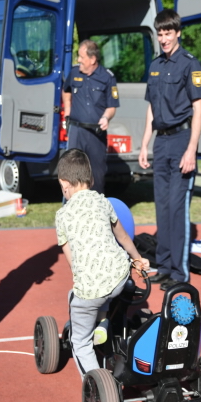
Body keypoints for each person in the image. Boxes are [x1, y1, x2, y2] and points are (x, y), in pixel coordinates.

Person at [55, 148, 149, 378]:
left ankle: (97, 383)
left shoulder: (62, 215)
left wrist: (82, 279)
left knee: (80, 341)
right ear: (92, 179)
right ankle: (103, 322)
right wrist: (137, 260)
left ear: (64, 184)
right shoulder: (103, 203)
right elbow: (123, 237)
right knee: (105, 290)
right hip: (119, 275)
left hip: (92, 289)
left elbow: (73, 263)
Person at [138, 9, 201, 291]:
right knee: (163, 209)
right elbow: (151, 108)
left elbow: (198, 108)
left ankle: (179, 273)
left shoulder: (190, 64)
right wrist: (144, 144)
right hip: (161, 143)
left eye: (168, 33)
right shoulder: (154, 66)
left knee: (177, 209)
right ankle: (164, 267)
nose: (164, 38)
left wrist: (191, 150)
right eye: (160, 33)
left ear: (178, 33)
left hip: (181, 141)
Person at [62, 40, 119, 194]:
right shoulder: (74, 73)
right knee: (71, 172)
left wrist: (106, 118)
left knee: (96, 175)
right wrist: (67, 108)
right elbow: (66, 89)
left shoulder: (107, 77)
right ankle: (70, 211)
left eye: (81, 57)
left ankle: (96, 211)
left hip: (96, 133)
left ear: (92, 59)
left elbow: (112, 106)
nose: (78, 60)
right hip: (76, 130)